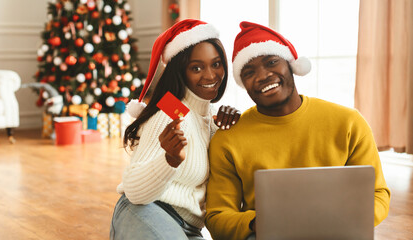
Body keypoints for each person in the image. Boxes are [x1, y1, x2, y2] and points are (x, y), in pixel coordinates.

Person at [205, 21, 391, 240]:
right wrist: (260, 222)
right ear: (243, 83)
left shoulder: (349, 122)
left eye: (272, 62)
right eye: (249, 72)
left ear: (291, 65)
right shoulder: (228, 139)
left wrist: (344, 219)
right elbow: (218, 217)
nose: (263, 75)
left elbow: (377, 195)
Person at [110, 19, 240, 240]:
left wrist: (227, 132)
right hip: (146, 210)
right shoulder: (171, 112)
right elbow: (133, 191)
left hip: (190, 228)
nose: (210, 75)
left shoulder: (208, 115)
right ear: (181, 71)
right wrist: (169, 160)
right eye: (196, 68)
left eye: (216, 64)